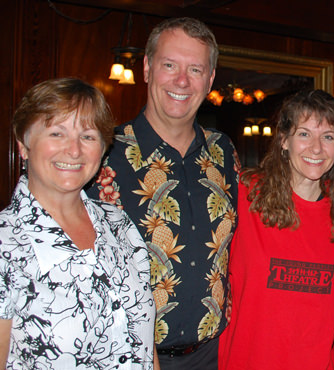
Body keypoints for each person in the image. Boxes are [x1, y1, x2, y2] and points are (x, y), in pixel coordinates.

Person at [87, 17, 238, 370]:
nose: (181, 81)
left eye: (195, 69)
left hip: (213, 355)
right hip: (128, 356)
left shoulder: (224, 151)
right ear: (147, 68)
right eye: (169, 65)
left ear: (210, 79)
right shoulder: (102, 152)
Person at [0, 77, 156, 369]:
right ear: (23, 145)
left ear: (102, 150)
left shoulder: (119, 224)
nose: (74, 150)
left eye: (88, 136)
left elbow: (145, 347)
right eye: (56, 133)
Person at [218, 89, 334, 369]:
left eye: (327, 137)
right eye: (304, 134)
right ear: (283, 141)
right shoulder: (244, 194)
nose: (316, 148)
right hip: (249, 360)